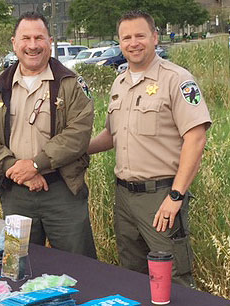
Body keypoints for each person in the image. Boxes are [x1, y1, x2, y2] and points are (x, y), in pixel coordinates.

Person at [88, 10, 211, 286]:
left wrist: (176, 196)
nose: (134, 43)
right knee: (133, 279)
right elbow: (111, 134)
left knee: (174, 279)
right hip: (125, 199)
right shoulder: (119, 83)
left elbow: (196, 137)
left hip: (161, 198)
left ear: (155, 37)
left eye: (140, 35)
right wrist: (76, 148)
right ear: (119, 43)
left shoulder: (176, 79)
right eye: (126, 37)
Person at [0, 11, 96, 258]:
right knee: (19, 266)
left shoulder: (70, 83)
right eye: (25, 38)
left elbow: (78, 133)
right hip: (15, 193)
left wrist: (37, 165)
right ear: (14, 43)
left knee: (80, 267)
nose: (32, 45)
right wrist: (16, 168)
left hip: (62, 192)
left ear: (50, 41)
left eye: (39, 38)